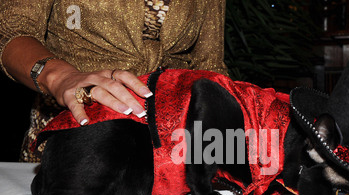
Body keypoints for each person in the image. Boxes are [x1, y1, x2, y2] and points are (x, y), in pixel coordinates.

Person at [0, 0, 228, 162]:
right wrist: (60, 77)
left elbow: (209, 64)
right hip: (75, 142)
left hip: (171, 148)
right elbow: (13, 32)